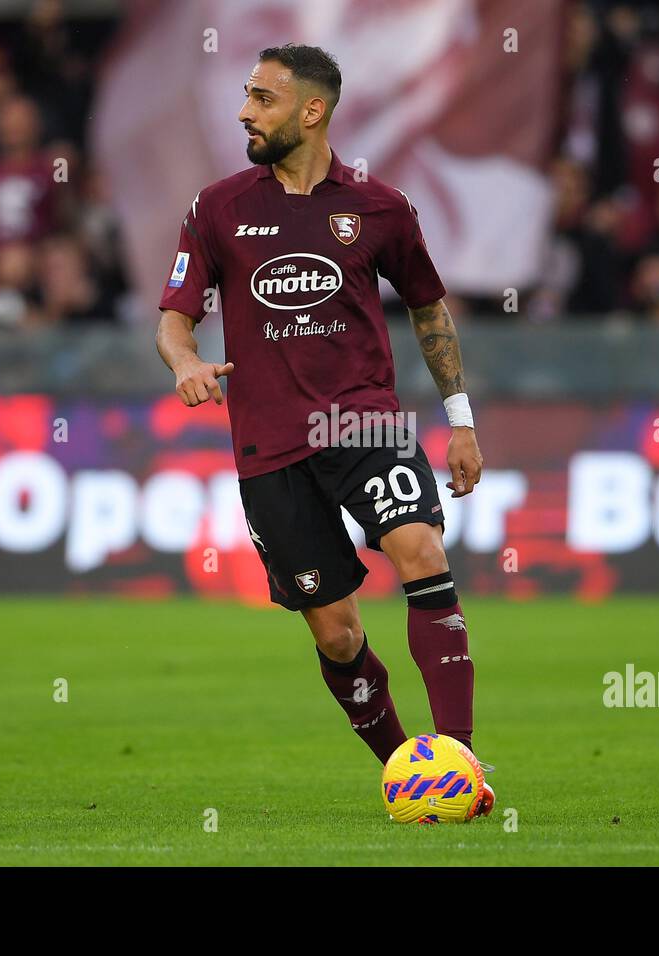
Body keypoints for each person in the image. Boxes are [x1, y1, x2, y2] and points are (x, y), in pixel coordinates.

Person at [155, 44, 493, 815]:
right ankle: (407, 767)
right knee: (338, 636)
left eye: (263, 98)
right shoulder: (218, 208)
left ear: (312, 110)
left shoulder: (380, 206)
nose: (245, 111)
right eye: (246, 95)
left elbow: (427, 307)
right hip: (268, 447)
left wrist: (461, 420)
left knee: (420, 547)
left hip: (362, 421)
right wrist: (184, 364)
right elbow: (174, 319)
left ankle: (463, 766)